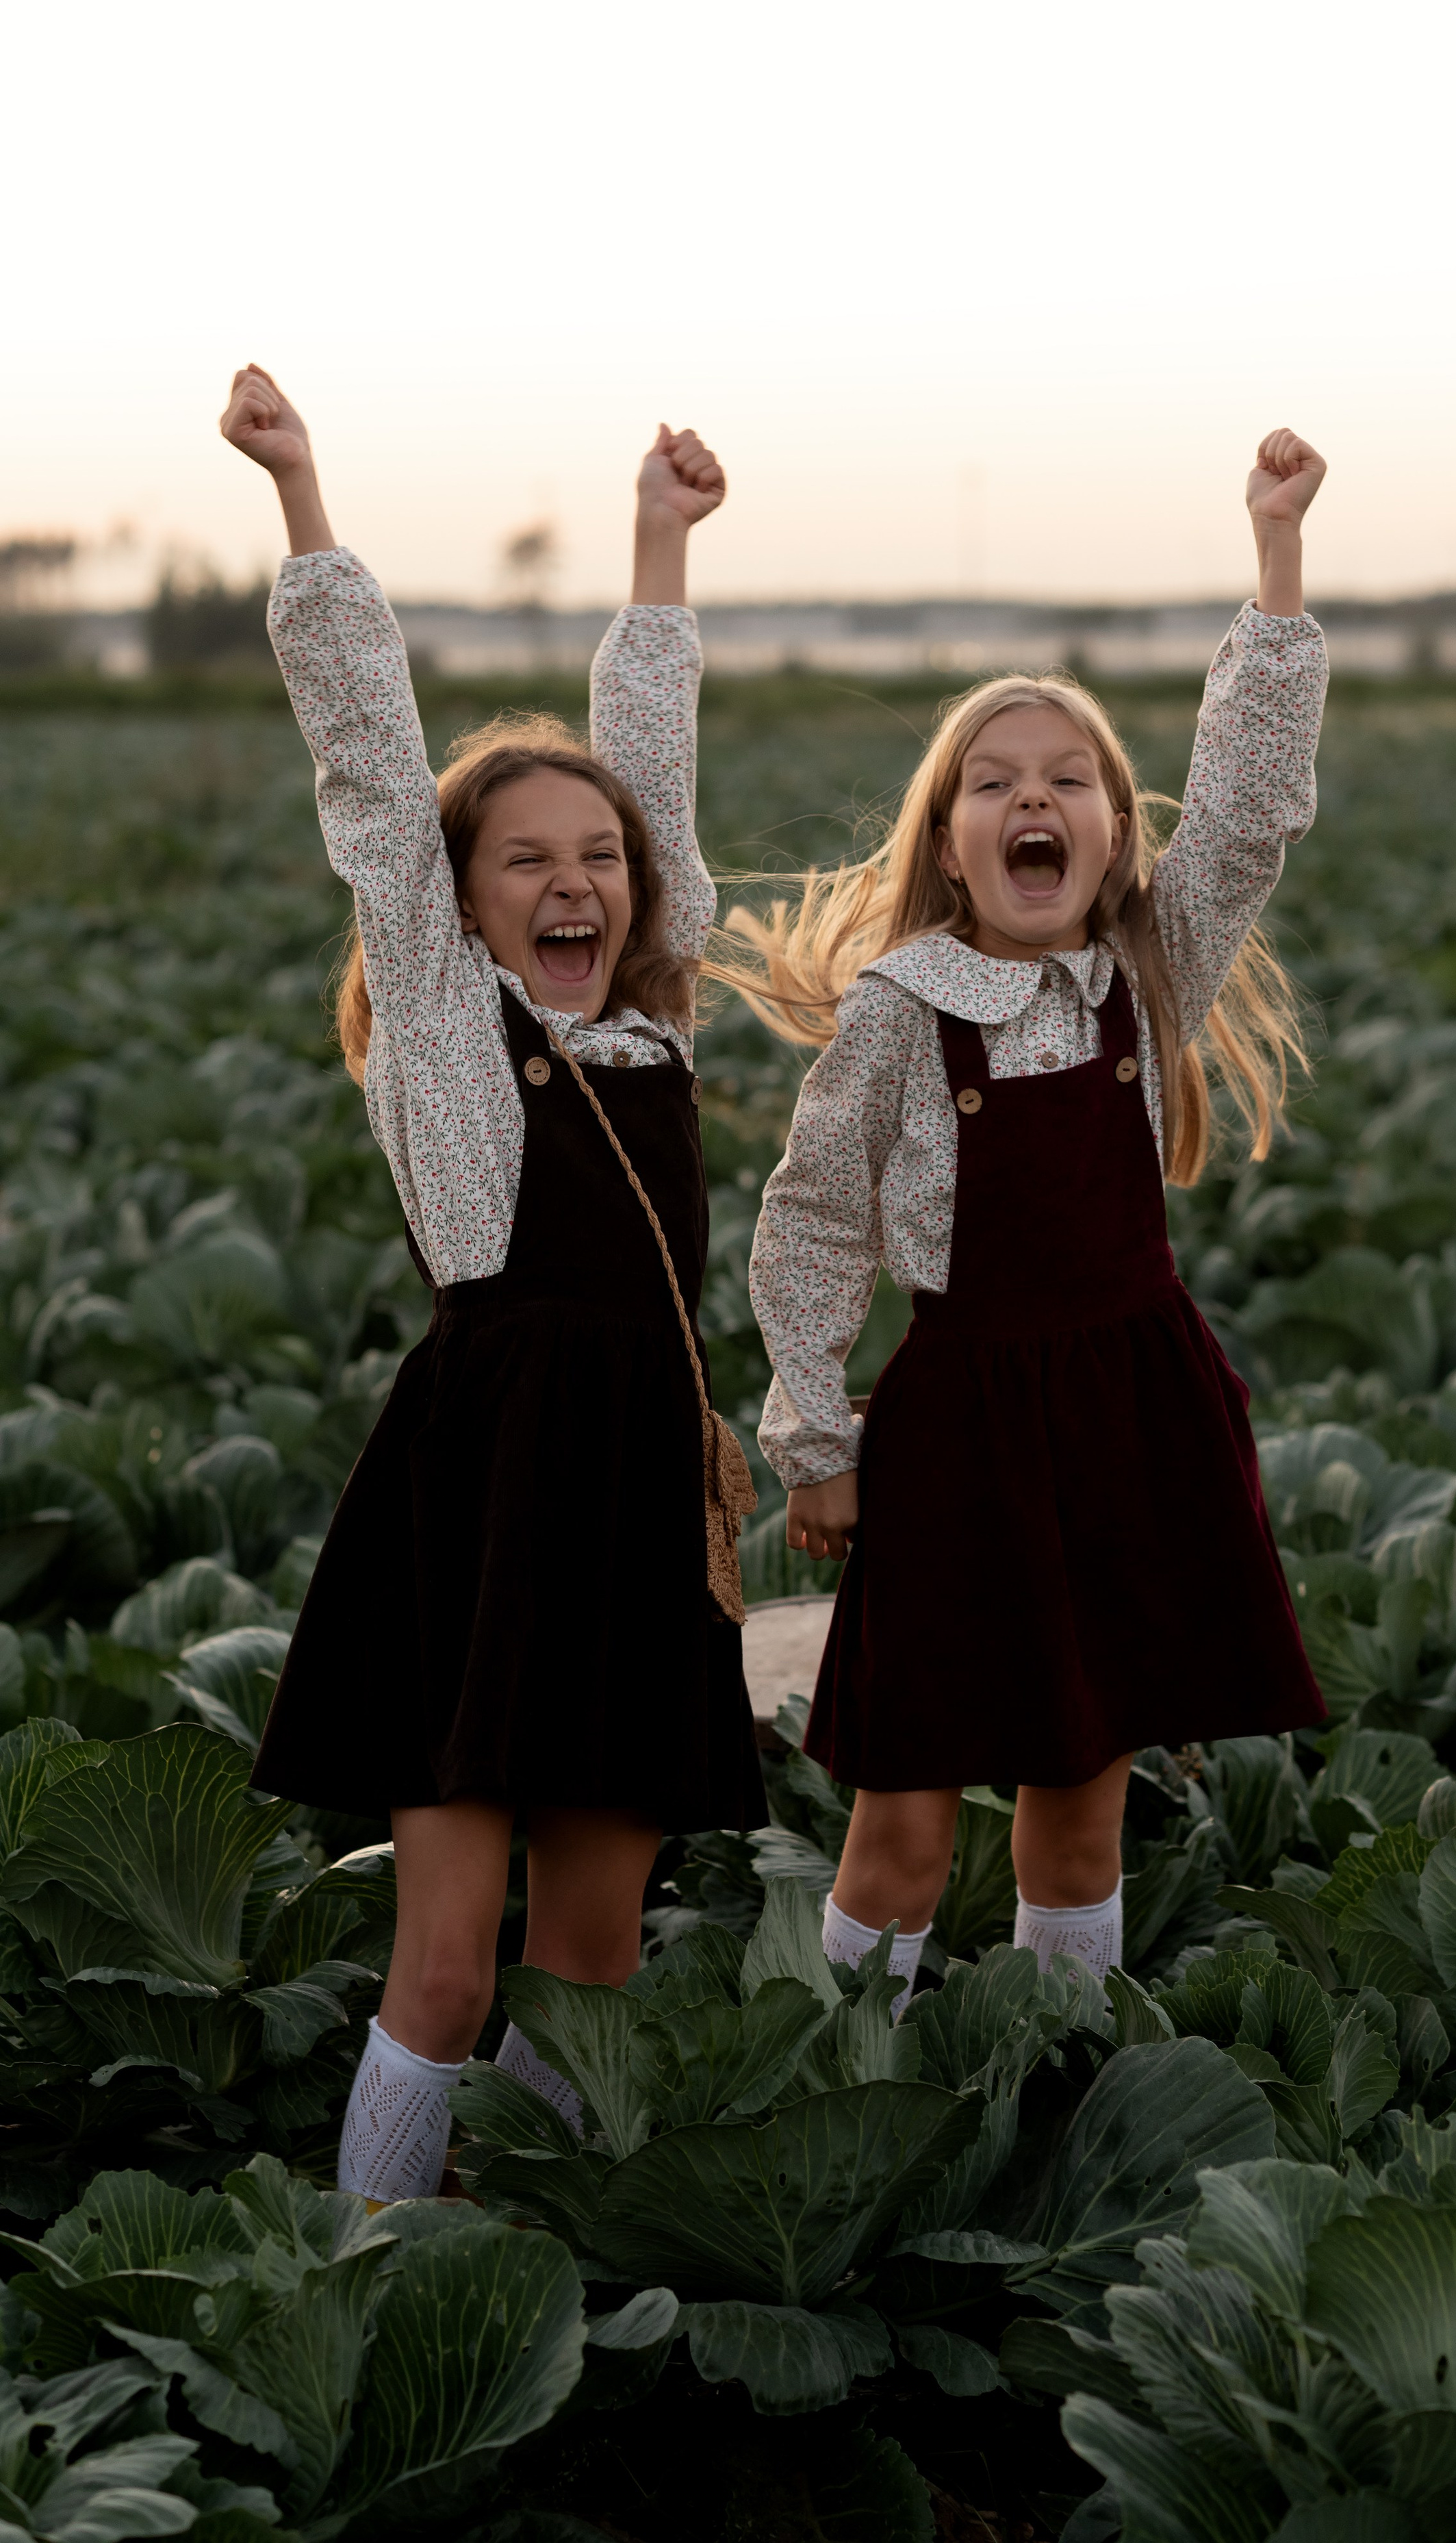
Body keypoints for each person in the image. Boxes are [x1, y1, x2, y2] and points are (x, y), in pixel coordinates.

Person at [220, 365, 765, 2200]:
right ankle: (367, 2268)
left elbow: (657, 771)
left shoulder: (652, 1029)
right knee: (446, 1969)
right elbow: (373, 769)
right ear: (454, 902)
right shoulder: (454, 1046)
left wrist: (660, 547)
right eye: (526, 856)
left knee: (591, 1972)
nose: (577, 879)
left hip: (630, 1505)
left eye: (598, 857)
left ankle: (524, 2262)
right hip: (486, 1497)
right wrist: (306, 502)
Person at [735, 430, 1331, 2010]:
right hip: (958, 1436)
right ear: (949, 844)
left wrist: (1272, 555)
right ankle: (857, 2065)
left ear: (1115, 836)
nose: (1033, 799)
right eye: (993, 783)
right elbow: (805, 1229)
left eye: (1067, 779)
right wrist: (817, 1437)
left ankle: (1064, 2059)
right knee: (903, 1818)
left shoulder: (1144, 974)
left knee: (1081, 1805)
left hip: (1127, 1416)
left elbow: (1256, 809)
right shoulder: (896, 1012)